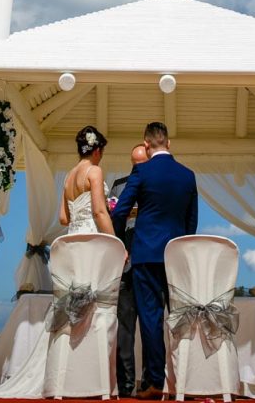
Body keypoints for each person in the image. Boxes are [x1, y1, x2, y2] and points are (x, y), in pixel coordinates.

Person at [112, 121, 198, 401]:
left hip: (146, 254)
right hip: (176, 255)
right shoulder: (188, 175)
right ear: (169, 143)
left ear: (146, 145)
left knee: (150, 318)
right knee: (180, 317)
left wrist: (118, 242)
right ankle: (185, 380)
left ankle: (155, 382)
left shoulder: (142, 171)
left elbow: (120, 210)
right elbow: (191, 220)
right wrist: (180, 245)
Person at [111, 143, 149, 399]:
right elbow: (113, 221)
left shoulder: (157, 187)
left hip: (150, 264)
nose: (138, 169)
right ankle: (125, 386)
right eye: (135, 164)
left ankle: (149, 383)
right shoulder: (119, 184)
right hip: (124, 265)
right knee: (124, 328)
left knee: (150, 328)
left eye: (143, 164)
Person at [59, 125, 114, 235]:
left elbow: (63, 219)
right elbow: (99, 212)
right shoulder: (94, 171)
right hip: (91, 237)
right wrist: (115, 243)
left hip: (72, 238)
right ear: (97, 151)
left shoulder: (68, 177)